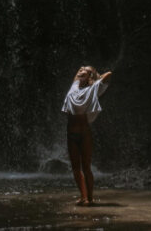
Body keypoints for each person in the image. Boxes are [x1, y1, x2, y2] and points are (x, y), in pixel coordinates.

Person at [61, 65, 112, 206]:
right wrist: (85, 74)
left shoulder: (93, 88)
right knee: (76, 168)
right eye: (80, 68)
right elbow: (78, 77)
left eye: (84, 69)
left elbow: (109, 74)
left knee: (86, 167)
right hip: (70, 134)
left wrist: (95, 76)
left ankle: (90, 198)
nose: (81, 69)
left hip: (84, 134)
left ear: (90, 76)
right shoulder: (74, 86)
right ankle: (83, 196)